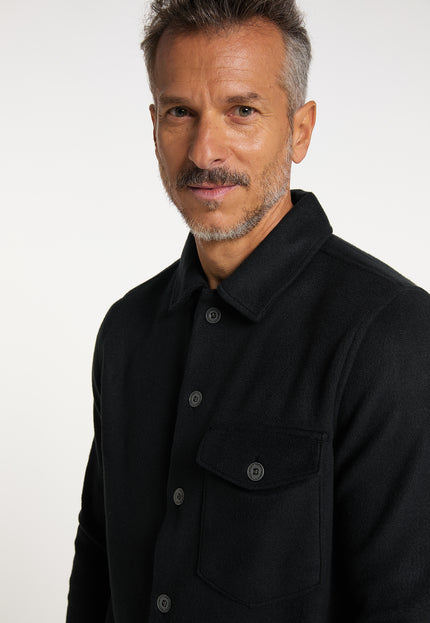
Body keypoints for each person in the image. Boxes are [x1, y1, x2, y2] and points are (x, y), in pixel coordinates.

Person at [66, 1, 430, 621]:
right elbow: (97, 566)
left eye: (242, 111)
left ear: (300, 130)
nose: (205, 151)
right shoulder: (127, 330)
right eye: (181, 112)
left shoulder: (392, 335)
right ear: (154, 126)